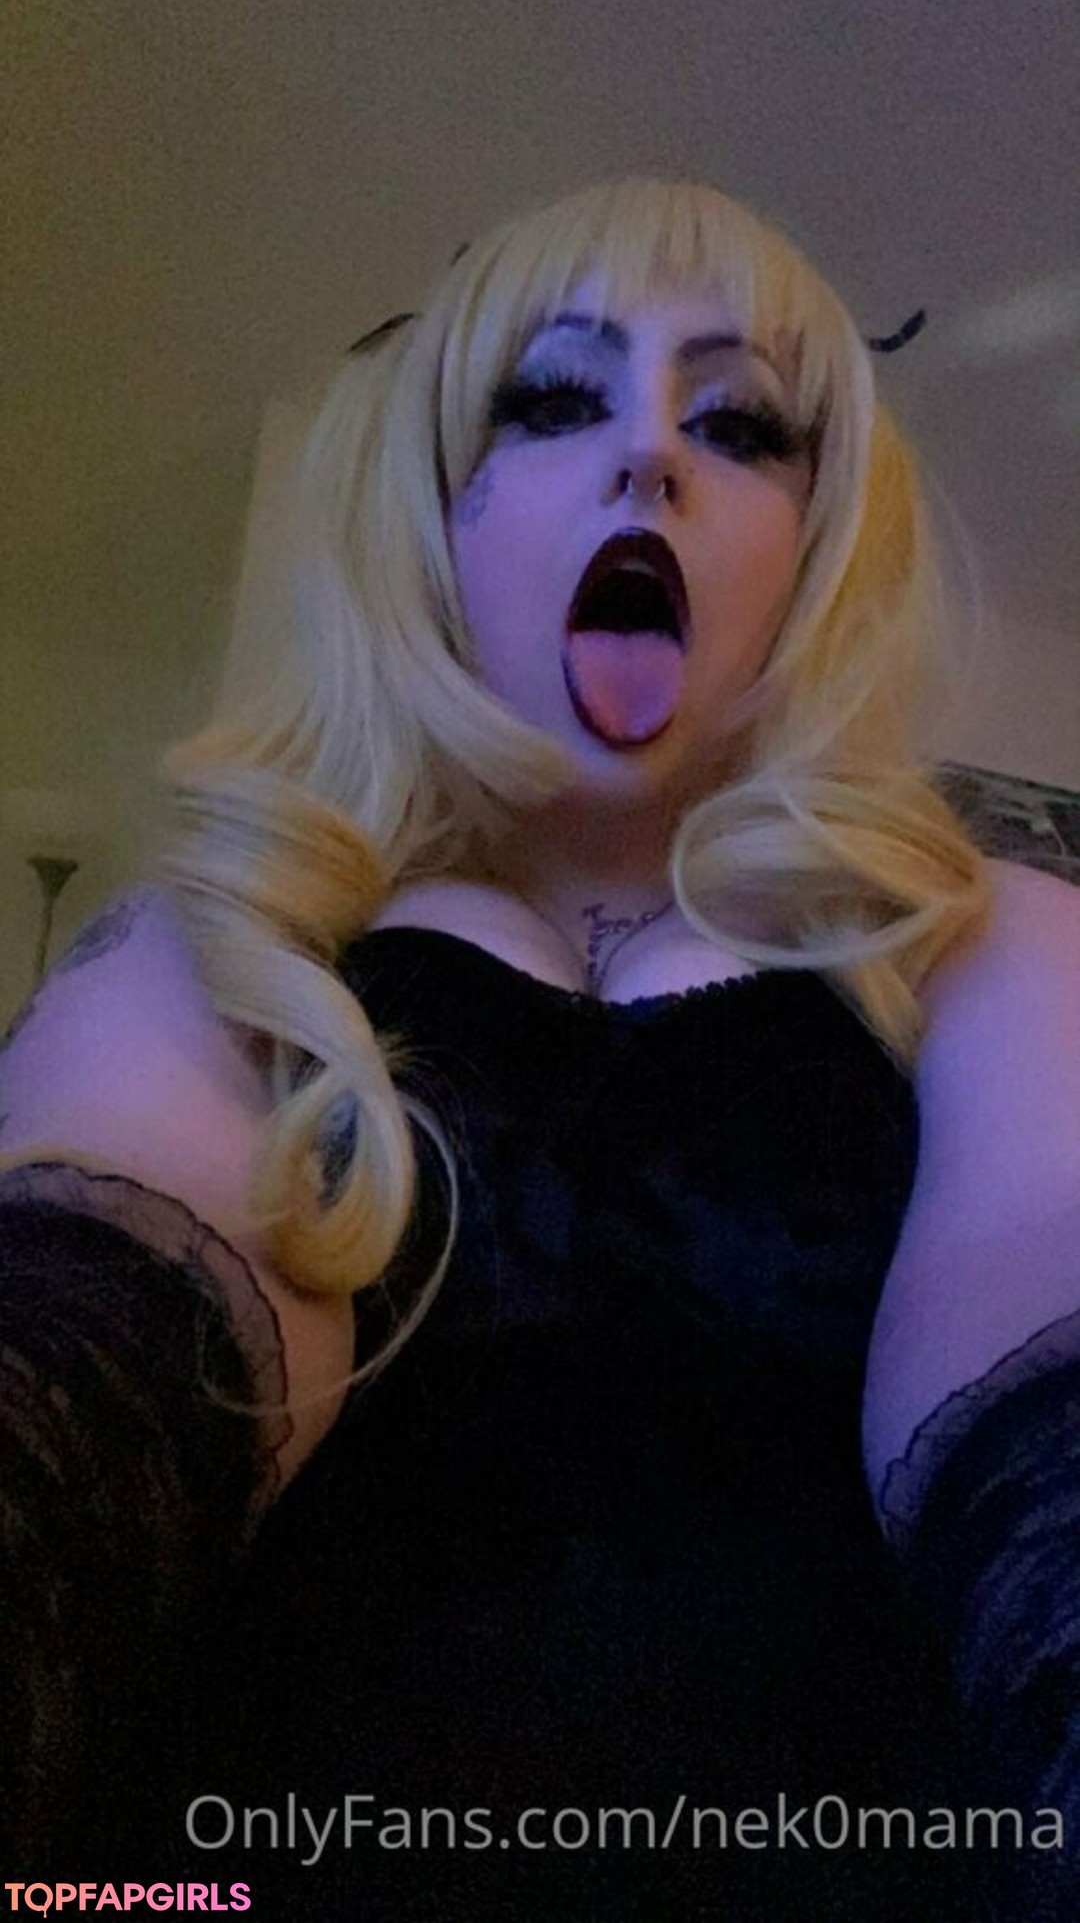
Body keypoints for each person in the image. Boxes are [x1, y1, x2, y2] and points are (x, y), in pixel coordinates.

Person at [1, 175, 1078, 1920]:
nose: (648, 458)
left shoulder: (981, 937)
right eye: (557, 399)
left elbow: (1045, 1375)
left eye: (738, 425)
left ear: (815, 548)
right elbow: (90, 1358)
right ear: (437, 507)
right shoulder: (230, 943)